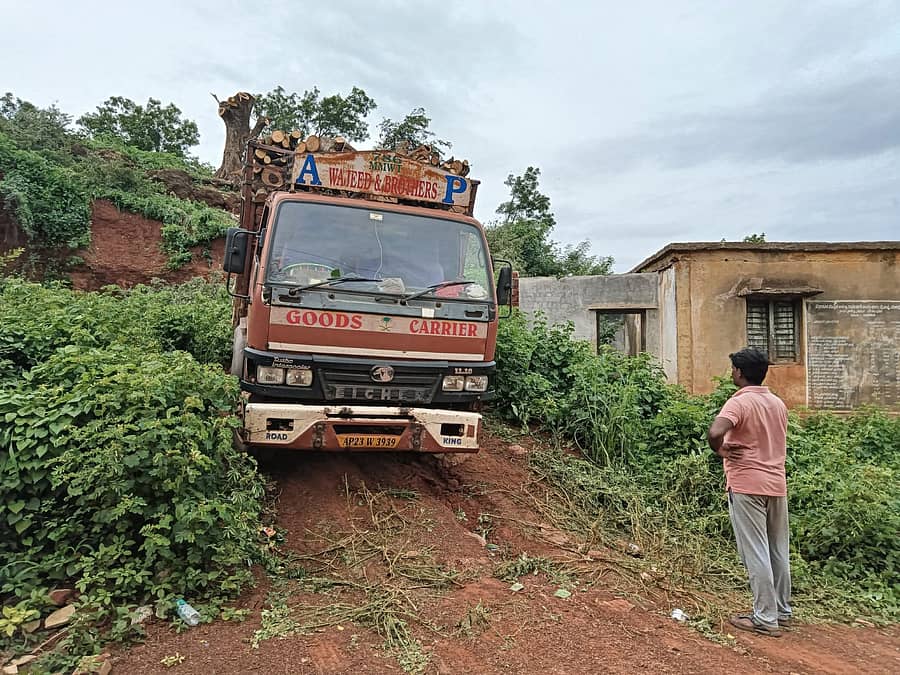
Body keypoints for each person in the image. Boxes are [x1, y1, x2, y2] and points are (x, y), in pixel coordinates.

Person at [707, 347, 791, 638]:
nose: (731, 373)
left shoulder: (739, 403)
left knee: (755, 551)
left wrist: (719, 448)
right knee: (778, 550)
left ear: (740, 373)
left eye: (733, 369)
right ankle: (781, 611)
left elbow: (715, 430)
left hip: (747, 485)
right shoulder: (777, 403)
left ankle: (765, 618)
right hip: (776, 485)